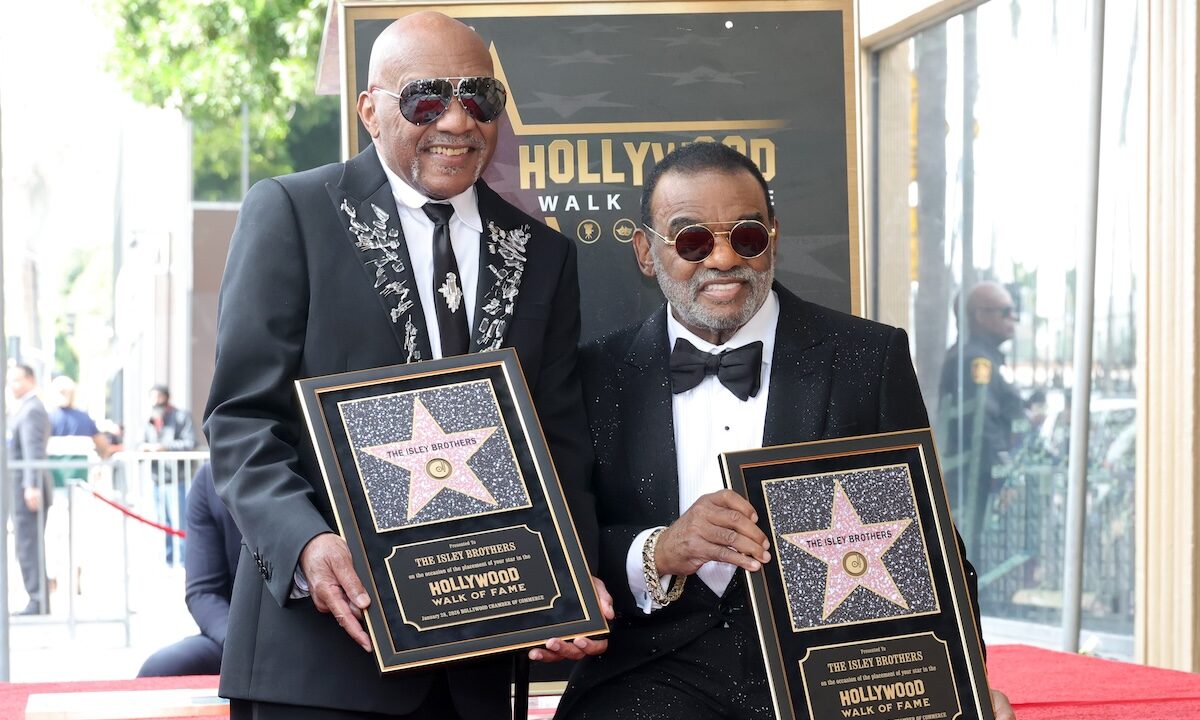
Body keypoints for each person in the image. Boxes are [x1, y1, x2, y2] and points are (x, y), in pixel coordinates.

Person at [203, 12, 605, 720]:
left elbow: (558, 442)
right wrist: (302, 541)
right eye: (426, 97)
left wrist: (573, 577)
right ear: (370, 110)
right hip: (320, 660)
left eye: (480, 98)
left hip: (479, 668)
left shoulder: (543, 254)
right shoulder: (292, 213)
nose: (457, 119)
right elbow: (240, 420)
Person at [550, 143, 1014, 719]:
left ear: (773, 235)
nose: (722, 260)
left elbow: (928, 544)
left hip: (827, 679)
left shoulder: (868, 358)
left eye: (746, 236)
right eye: (692, 240)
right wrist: (661, 551)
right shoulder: (592, 374)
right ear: (647, 252)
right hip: (648, 675)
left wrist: (967, 680)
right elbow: (566, 543)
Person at [938, 281, 1025, 556]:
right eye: (1006, 311)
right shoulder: (975, 362)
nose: (1014, 317)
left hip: (981, 480)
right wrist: (1004, 474)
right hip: (974, 482)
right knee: (973, 555)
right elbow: (982, 427)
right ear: (980, 315)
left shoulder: (987, 358)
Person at [138, 462, 241, 677]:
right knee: (159, 670)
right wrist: (240, 643)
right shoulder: (212, 478)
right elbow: (203, 592)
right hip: (239, 636)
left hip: (314, 636)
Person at [7, 364, 53, 616]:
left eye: (16, 380)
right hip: (22, 488)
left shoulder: (32, 409)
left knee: (29, 544)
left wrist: (31, 486)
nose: (12, 385)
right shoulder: (23, 409)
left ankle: (37, 599)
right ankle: (36, 597)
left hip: (28, 490)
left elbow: (33, 451)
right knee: (26, 544)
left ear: (29, 380)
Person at [142, 384, 198, 566]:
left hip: (177, 479)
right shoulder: (150, 420)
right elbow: (140, 442)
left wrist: (166, 447)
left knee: (179, 522)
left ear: (166, 397)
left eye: (158, 397)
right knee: (162, 521)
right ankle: (168, 560)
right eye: (152, 397)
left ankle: (183, 561)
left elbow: (190, 442)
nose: (155, 401)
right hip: (157, 478)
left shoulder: (181, 416)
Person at [48, 375, 112, 459]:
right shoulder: (85, 419)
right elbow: (103, 446)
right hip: (82, 470)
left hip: (52, 470)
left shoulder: (47, 419)